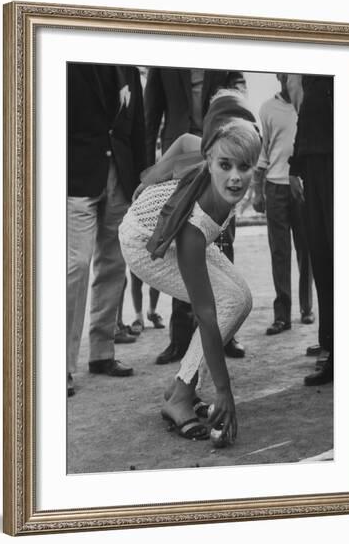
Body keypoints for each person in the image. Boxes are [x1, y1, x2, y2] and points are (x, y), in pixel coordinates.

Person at [119, 89, 261, 442]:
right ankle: (180, 397)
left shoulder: (217, 147)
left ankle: (180, 386)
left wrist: (151, 177)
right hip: (143, 243)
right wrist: (224, 390)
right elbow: (206, 314)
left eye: (244, 167)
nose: (234, 177)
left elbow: (183, 140)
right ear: (210, 158)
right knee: (225, 304)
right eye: (225, 166)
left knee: (241, 299)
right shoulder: (195, 225)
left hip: (174, 230)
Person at [144, 67, 247, 365]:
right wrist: (151, 172)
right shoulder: (163, 61)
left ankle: (226, 333)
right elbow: (151, 116)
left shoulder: (226, 55)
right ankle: (180, 338)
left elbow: (238, 96)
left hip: (221, 155)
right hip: (180, 160)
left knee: (222, 242)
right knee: (181, 242)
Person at [67, 62, 146, 396]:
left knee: (114, 264)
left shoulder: (129, 66)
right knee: (77, 264)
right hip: (76, 176)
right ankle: (61, 364)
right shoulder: (67, 60)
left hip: (121, 178)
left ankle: (101, 353)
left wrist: (141, 181)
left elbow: (138, 128)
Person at [252, 73, 314, 335]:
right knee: (279, 252)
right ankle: (282, 316)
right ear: (278, 75)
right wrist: (257, 191)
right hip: (275, 186)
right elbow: (263, 151)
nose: (289, 76)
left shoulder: (308, 104)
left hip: (301, 186)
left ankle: (307, 309)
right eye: (284, 71)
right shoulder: (267, 109)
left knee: (306, 251)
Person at [288, 74, 334, 386]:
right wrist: (294, 167)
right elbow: (306, 113)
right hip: (313, 165)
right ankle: (332, 349)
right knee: (322, 258)